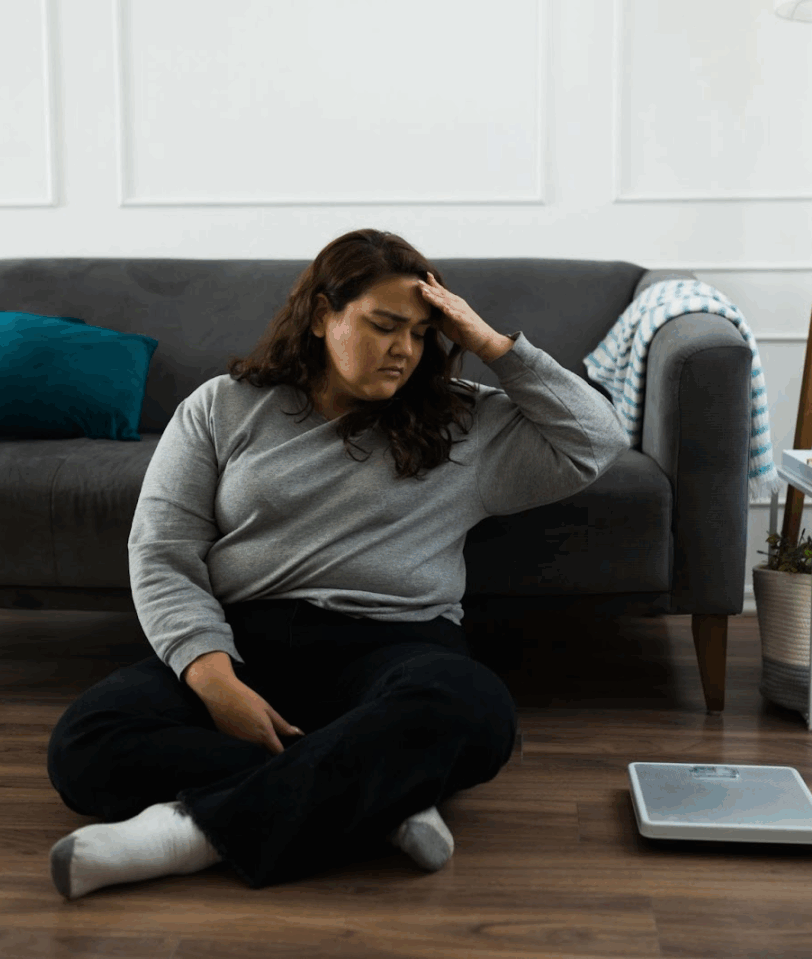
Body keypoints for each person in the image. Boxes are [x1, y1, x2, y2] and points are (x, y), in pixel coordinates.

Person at [45, 228, 631, 897]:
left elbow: (598, 439)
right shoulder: (222, 404)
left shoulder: (467, 421)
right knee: (84, 744)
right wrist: (214, 680)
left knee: (476, 709)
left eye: (421, 333)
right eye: (384, 326)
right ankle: (382, 792)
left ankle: (184, 835)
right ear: (323, 315)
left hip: (397, 647)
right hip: (245, 643)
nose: (405, 349)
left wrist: (494, 345)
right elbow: (162, 549)